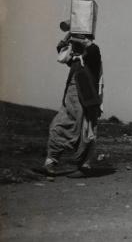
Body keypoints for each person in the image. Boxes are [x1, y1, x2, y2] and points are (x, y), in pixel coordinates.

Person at [42, 32, 103, 177]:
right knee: (57, 126)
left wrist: (81, 38)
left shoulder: (92, 57)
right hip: (70, 101)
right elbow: (61, 51)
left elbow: (93, 49)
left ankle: (84, 167)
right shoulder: (76, 60)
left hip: (86, 102)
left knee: (84, 132)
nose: (74, 48)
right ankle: (50, 163)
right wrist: (69, 34)